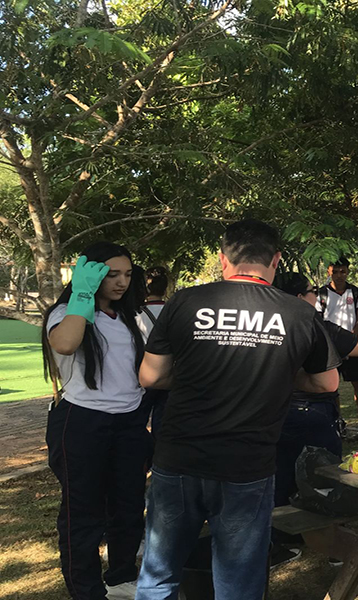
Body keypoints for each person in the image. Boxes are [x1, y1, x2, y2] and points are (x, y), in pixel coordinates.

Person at [135, 219, 340, 600]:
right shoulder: (298, 314)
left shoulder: (186, 301)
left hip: (178, 457)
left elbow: (150, 376)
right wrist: (274, 376)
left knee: (159, 574)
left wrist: (206, 375)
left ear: (222, 259)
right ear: (276, 260)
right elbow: (326, 383)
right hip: (246, 465)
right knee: (238, 582)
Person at [42, 242, 152, 600]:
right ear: (92, 274)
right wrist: (83, 294)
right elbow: (65, 344)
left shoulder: (134, 316)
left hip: (130, 422)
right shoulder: (67, 313)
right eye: (111, 274)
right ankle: (86, 590)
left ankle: (121, 576)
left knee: (129, 507)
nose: (121, 282)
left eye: (128, 274)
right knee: (83, 512)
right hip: (83, 421)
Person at [273, 272, 358, 506]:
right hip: (310, 409)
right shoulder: (312, 323)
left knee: (282, 468)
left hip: (275, 407)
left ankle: (281, 524)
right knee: (323, 469)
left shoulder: (267, 323)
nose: (316, 296)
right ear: (301, 297)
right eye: (313, 291)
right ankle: (320, 518)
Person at [316, 257, 358, 438]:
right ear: (329, 271)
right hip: (330, 347)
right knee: (332, 387)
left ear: (348, 272)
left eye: (343, 271)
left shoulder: (355, 292)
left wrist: (352, 340)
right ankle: (337, 423)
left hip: (351, 345)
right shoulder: (321, 293)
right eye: (335, 271)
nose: (339, 275)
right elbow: (319, 320)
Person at [137, 266, 170, 436]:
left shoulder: (136, 314)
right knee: (162, 421)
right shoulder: (173, 310)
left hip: (144, 373)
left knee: (138, 420)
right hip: (168, 374)